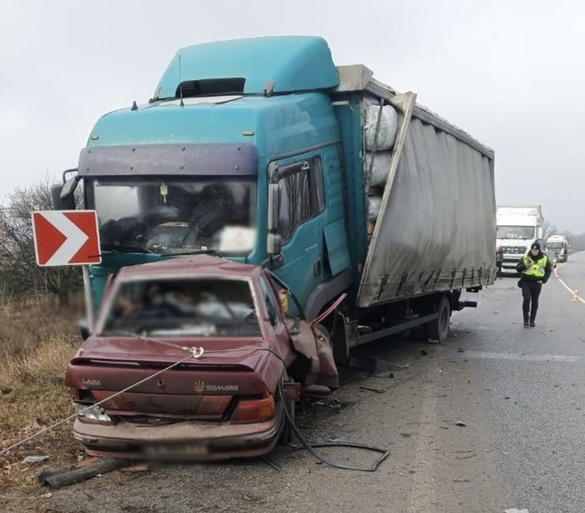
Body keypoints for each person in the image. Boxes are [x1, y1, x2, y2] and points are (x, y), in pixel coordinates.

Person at [516, 241, 552, 328]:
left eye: (536, 250)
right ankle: (526, 319)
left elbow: (548, 270)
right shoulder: (525, 257)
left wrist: (544, 280)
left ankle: (532, 320)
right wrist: (525, 265)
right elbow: (518, 269)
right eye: (532, 250)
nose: (534, 252)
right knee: (527, 298)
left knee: (535, 301)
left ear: (539, 250)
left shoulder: (544, 258)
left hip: (537, 283)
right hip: (526, 281)